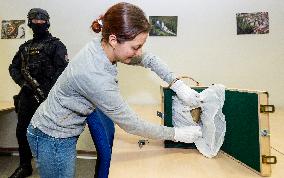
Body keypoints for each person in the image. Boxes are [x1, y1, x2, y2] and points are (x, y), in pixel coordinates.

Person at [26, 2, 202, 178]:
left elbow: (149, 59)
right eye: (136, 47)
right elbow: (133, 124)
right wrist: (177, 134)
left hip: (58, 129)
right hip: (51, 136)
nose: (139, 52)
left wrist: (177, 84)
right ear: (113, 40)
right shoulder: (94, 74)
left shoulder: (104, 46)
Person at [8, 8, 68, 178]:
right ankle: (25, 166)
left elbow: (62, 71)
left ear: (47, 22)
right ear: (29, 23)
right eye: (34, 21)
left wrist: (48, 92)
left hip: (49, 98)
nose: (38, 24)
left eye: (41, 21)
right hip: (27, 97)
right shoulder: (25, 47)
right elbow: (13, 67)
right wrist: (23, 83)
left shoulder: (56, 45)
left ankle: (51, 166)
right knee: (22, 131)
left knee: (50, 133)